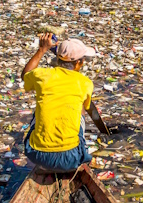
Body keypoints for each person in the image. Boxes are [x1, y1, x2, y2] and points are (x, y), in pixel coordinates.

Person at [21, 33, 96, 172]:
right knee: (80, 109)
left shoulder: (41, 75)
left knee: (39, 111)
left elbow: (25, 75)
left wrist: (41, 50)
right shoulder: (85, 83)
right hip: (71, 157)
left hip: (36, 155)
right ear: (79, 62)